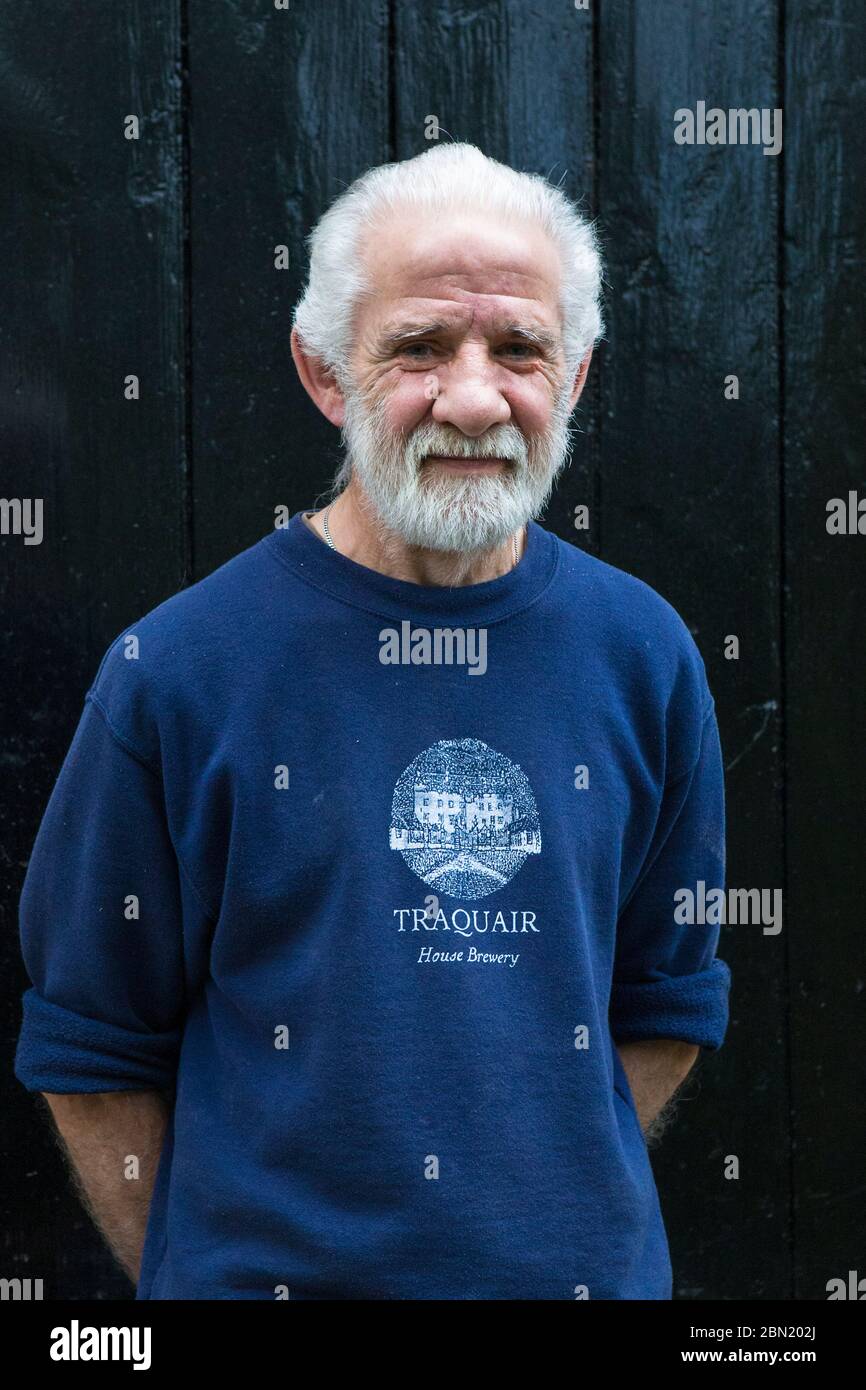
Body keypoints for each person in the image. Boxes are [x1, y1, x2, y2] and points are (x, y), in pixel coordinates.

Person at [14, 142, 731, 1300]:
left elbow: (666, 1002)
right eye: (416, 346)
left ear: (577, 376)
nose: (472, 396)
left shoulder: (643, 654)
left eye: (517, 348)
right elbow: (89, 1046)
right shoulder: (177, 670)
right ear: (323, 372)